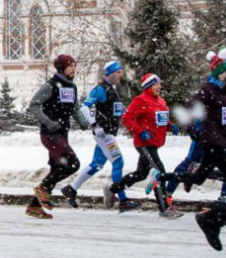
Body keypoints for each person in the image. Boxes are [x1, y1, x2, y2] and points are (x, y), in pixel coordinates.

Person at [158, 53, 226, 202]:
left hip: (221, 138)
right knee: (196, 164)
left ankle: (225, 201)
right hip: (207, 137)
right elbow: (189, 109)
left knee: (213, 174)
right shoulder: (209, 88)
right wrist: (192, 130)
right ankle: (167, 191)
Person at [103, 73, 182, 219]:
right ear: (148, 86)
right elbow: (127, 118)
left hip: (155, 143)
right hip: (144, 143)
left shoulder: (161, 101)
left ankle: (112, 189)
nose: (159, 87)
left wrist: (171, 126)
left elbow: (160, 120)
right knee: (160, 171)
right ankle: (164, 208)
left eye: (159, 84)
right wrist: (141, 131)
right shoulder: (140, 100)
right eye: (155, 84)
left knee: (141, 174)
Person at [61, 60, 134, 211]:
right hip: (103, 134)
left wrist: (129, 116)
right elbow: (84, 108)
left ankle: (71, 189)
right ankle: (123, 200)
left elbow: (117, 109)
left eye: (121, 71)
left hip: (110, 133)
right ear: (109, 73)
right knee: (118, 163)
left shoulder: (117, 89)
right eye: (118, 71)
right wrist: (94, 124)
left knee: (97, 164)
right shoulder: (100, 89)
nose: (121, 74)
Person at [24, 54, 90, 219]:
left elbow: (74, 108)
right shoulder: (51, 85)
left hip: (62, 133)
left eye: (75, 66)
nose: (73, 69)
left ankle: (34, 206)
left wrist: (83, 122)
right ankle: (43, 188)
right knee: (73, 163)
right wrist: (49, 122)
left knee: (57, 168)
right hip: (50, 134)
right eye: (70, 66)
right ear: (61, 68)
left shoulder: (72, 87)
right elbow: (33, 105)